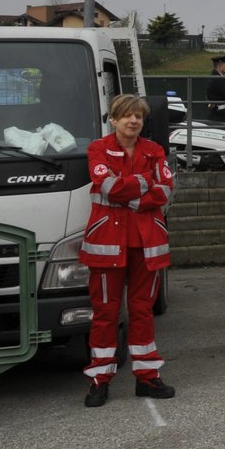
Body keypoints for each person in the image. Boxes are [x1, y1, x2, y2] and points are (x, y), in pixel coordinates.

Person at [81, 94, 175, 406]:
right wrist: (144, 183)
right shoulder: (97, 148)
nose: (133, 121)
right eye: (126, 116)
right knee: (105, 313)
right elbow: (108, 187)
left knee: (142, 311)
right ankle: (99, 379)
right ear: (113, 119)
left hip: (147, 245)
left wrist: (130, 190)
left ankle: (147, 377)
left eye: (138, 116)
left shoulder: (155, 150)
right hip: (107, 245)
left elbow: (165, 190)